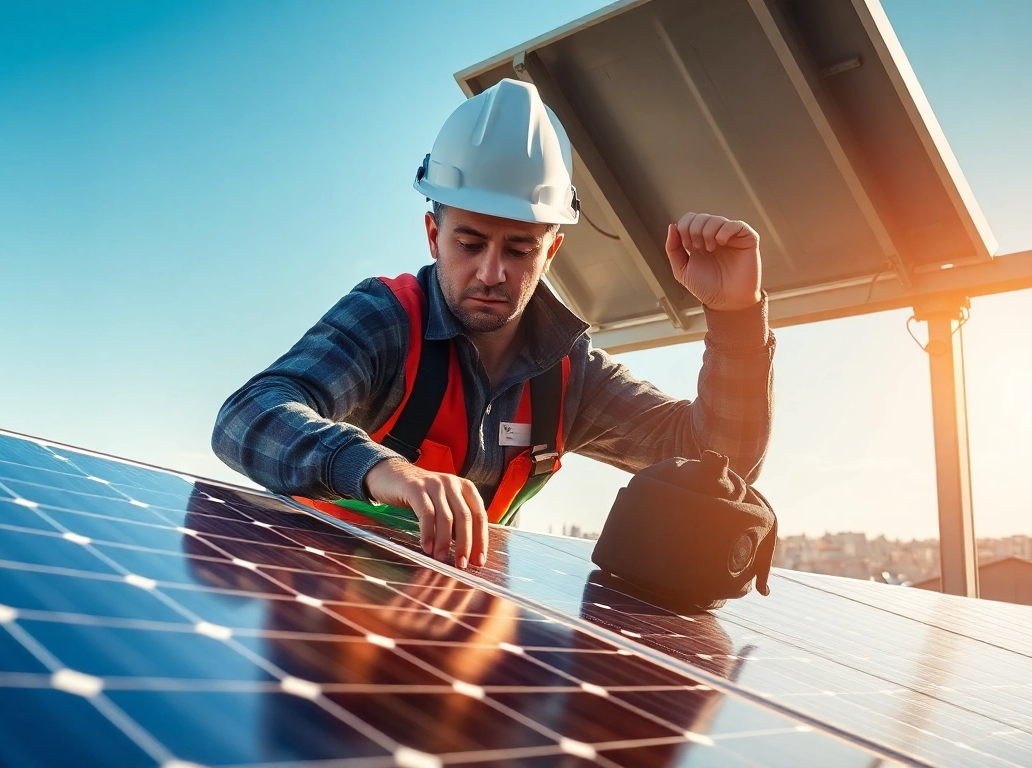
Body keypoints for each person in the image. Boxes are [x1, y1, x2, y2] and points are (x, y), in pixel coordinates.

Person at [213, 79, 774, 571]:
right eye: (470, 243)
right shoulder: (387, 321)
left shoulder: (569, 375)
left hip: (458, 635)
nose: (491, 272)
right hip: (323, 615)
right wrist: (383, 470)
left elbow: (715, 459)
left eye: (519, 250)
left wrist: (736, 317)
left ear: (551, 250)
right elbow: (247, 417)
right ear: (434, 236)